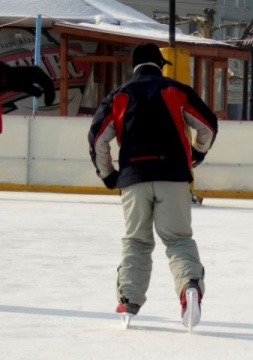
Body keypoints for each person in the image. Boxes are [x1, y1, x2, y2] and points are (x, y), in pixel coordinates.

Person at [88, 43, 218, 328]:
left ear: (132, 66)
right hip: (173, 176)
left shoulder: (118, 95)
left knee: (136, 241)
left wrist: (109, 175)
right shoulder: (175, 89)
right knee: (178, 240)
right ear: (160, 64)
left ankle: (128, 301)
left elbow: (98, 138)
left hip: (134, 178)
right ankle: (189, 289)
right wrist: (196, 154)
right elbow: (207, 124)